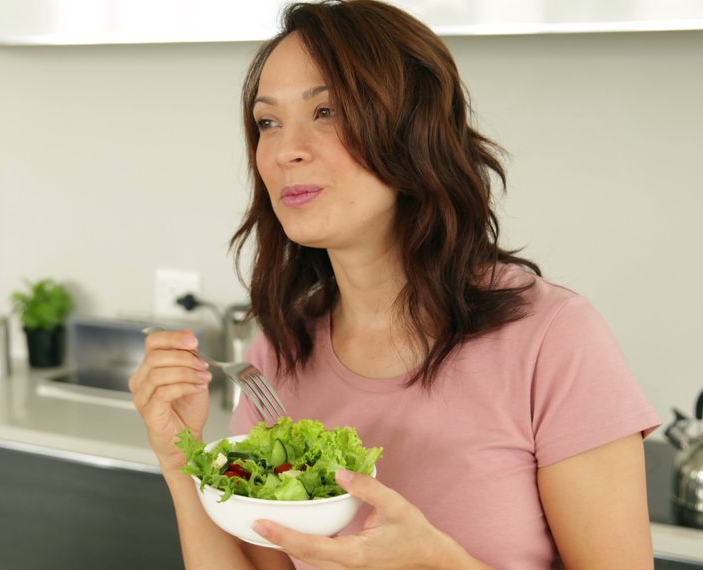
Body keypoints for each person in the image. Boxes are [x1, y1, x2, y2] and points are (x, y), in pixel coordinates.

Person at [128, 1, 661, 568]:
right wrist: (181, 461)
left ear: (414, 129)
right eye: (268, 122)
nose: (286, 150)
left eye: (327, 110)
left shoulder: (553, 340)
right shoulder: (279, 355)